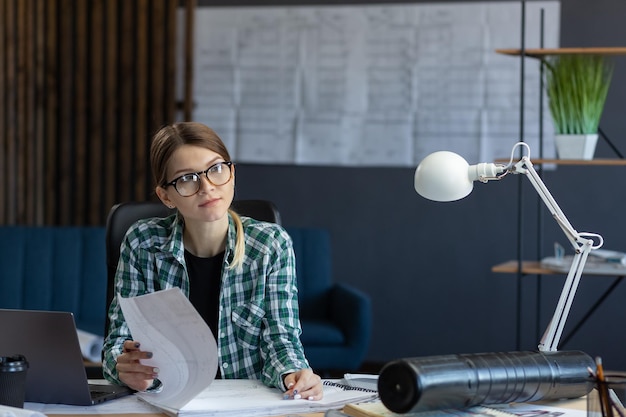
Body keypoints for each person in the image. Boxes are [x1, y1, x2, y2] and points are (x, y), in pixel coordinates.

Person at [102, 121, 323, 400]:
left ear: (231, 174)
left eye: (216, 169)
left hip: (245, 404)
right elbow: (118, 341)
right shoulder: (142, 243)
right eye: (187, 178)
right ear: (166, 196)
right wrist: (124, 368)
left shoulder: (270, 245)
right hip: (166, 400)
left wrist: (293, 373)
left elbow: (282, 340)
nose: (206, 187)